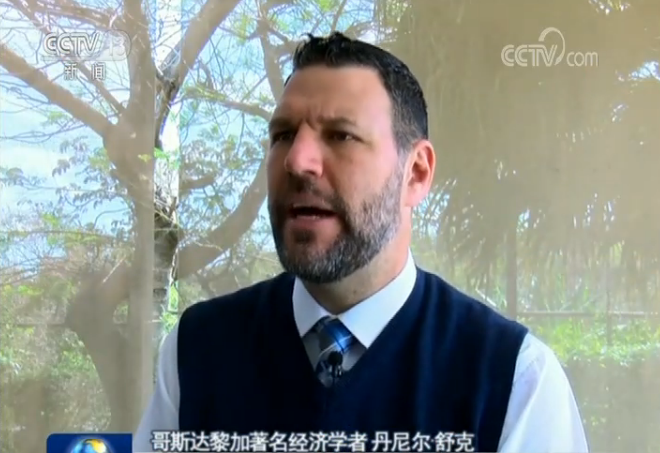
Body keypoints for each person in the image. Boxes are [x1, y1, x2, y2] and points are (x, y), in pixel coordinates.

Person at [134, 32, 588, 453]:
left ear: (416, 174)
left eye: (341, 135)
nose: (297, 161)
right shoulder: (197, 352)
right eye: (283, 135)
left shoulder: (513, 381)